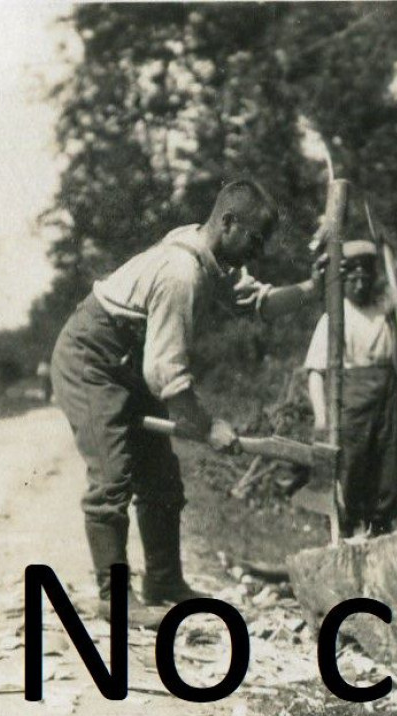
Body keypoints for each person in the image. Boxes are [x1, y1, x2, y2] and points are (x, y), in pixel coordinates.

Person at [49, 180, 321, 624]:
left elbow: (261, 303)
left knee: (161, 478)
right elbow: (167, 376)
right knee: (112, 477)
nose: (257, 251)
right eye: (253, 239)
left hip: (128, 363)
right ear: (228, 222)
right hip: (91, 360)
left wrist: (312, 288)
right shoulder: (182, 273)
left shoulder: (208, 256)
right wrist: (209, 426)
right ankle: (114, 600)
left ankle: (165, 582)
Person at [303, 240, 397, 537]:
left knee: (386, 474)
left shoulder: (386, 314)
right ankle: (344, 535)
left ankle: (379, 533)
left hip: (387, 402)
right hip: (351, 404)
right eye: (352, 276)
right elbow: (316, 371)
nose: (359, 282)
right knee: (350, 471)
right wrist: (321, 417)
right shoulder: (336, 316)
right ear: (342, 279)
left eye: (365, 275)